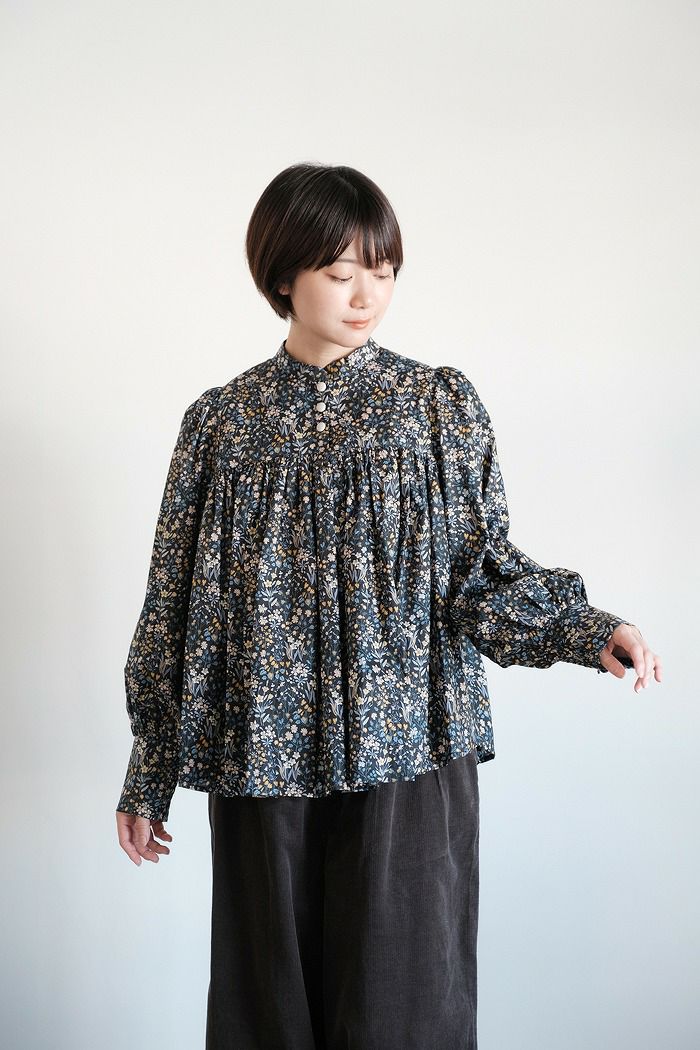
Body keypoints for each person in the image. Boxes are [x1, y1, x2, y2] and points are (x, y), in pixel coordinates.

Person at [115, 162, 661, 1050]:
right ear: (282, 276)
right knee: (266, 1016)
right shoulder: (220, 425)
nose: (367, 295)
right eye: (341, 273)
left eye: (385, 271)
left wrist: (587, 630)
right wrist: (150, 770)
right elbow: (171, 606)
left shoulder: (436, 408)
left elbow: (478, 572)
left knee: (405, 1012)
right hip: (261, 755)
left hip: (410, 747)